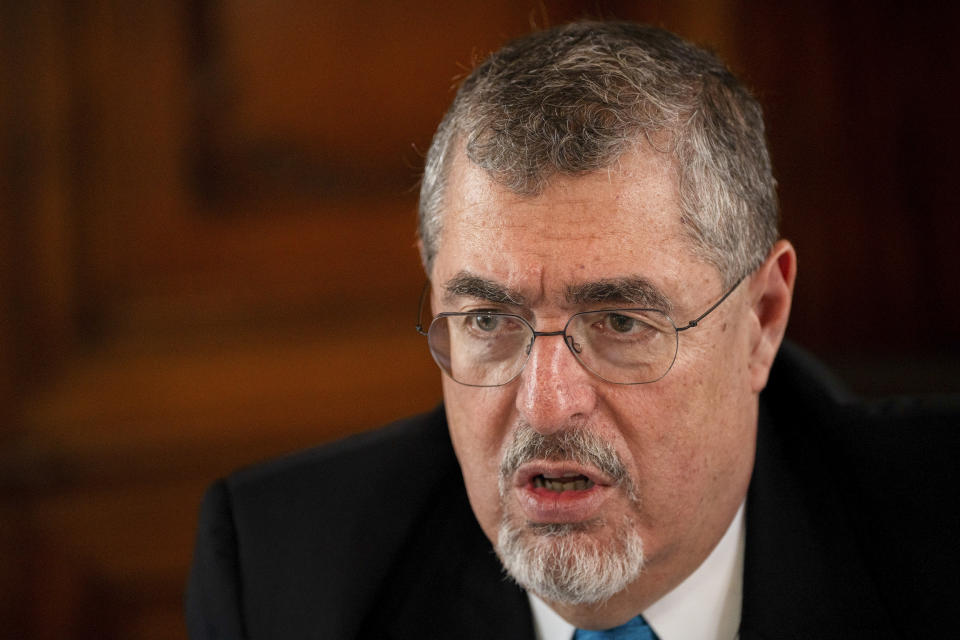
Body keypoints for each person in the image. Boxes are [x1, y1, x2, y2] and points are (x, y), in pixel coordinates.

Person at [186, 21, 957, 639]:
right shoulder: (281, 576)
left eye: (620, 321)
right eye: (488, 319)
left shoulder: (935, 532)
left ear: (761, 321)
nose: (546, 405)